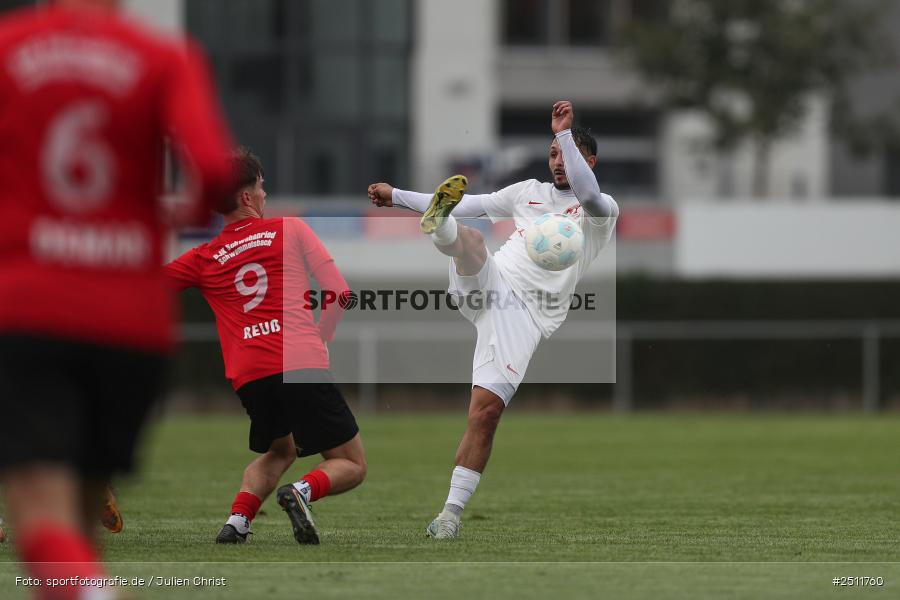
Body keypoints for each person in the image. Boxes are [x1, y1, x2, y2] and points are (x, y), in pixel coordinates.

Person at [0, 0, 234, 597]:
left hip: (31, 307)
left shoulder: (9, 46)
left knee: (39, 517)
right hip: (130, 319)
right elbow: (211, 171)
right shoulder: (165, 56)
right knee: (80, 521)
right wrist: (151, 222)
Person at [368, 101, 618, 539]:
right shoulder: (526, 192)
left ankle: (449, 516)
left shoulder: (601, 211)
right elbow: (468, 202)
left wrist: (564, 133)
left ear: (589, 162)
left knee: (485, 414)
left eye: (570, 154)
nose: (560, 161)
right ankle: (439, 227)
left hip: (525, 318)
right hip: (494, 281)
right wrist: (397, 198)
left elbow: (589, 191)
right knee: (470, 237)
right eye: (555, 153)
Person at [164, 148, 366, 546]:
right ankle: (302, 492)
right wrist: (320, 340)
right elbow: (339, 293)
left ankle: (238, 521)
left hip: (249, 375)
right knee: (351, 464)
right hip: (298, 361)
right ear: (245, 197)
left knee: (279, 451)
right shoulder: (290, 229)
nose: (265, 194)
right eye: (261, 186)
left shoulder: (203, 257)